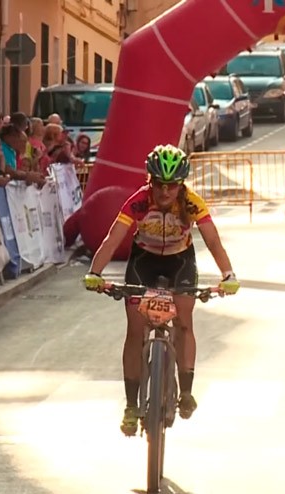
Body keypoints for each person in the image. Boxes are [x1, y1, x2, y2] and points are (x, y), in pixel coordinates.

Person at [82, 144, 240, 436]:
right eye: (159, 185)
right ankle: (131, 405)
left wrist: (227, 274)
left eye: (172, 186)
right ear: (149, 181)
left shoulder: (192, 203)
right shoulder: (139, 202)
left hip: (180, 262)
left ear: (181, 184)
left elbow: (213, 242)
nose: (165, 193)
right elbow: (112, 239)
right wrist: (95, 273)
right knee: (135, 330)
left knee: (183, 323)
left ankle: (187, 391)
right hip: (144, 262)